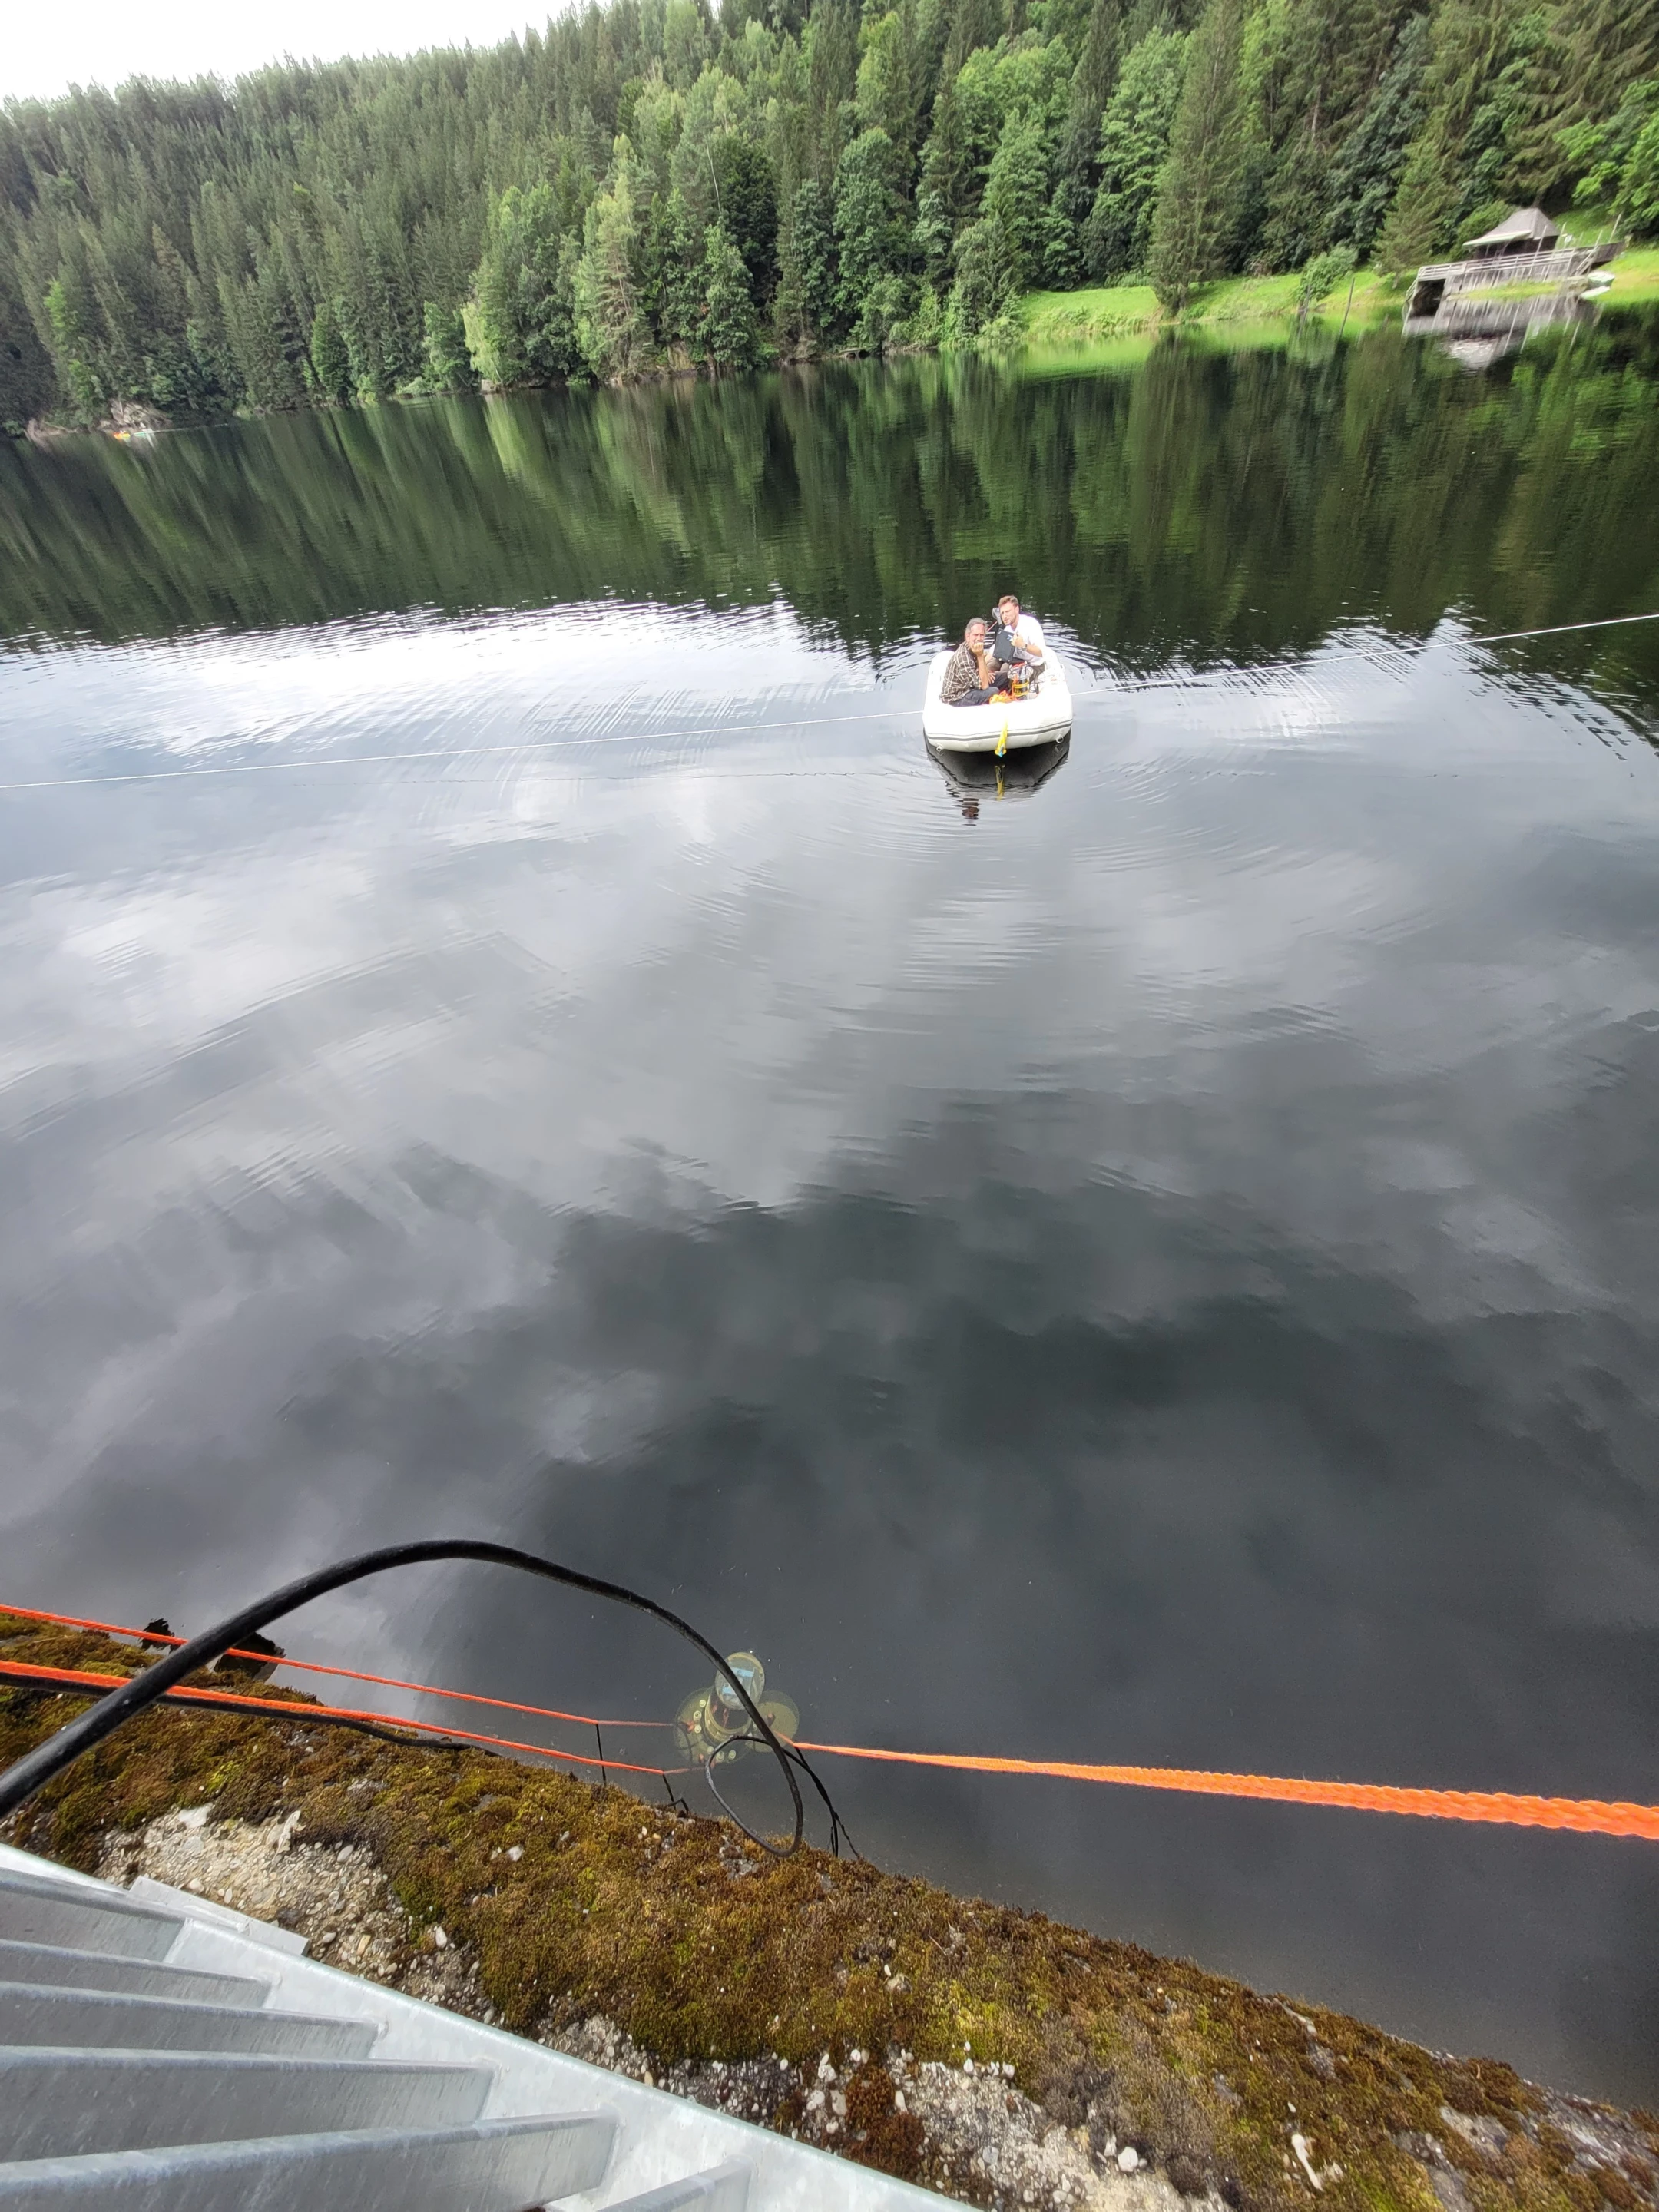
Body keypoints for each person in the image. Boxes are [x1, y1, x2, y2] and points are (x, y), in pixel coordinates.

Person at [941, 617, 1013, 707]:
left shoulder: (973, 648)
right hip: (957, 697)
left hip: (971, 685)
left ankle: (1008, 701)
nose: (979, 638)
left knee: (1006, 677)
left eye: (982, 635)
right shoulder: (963, 657)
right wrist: (980, 656)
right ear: (968, 636)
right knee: (993, 691)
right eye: (975, 635)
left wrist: (986, 672)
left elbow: (980, 670)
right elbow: (984, 686)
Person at [994, 593, 1046, 675]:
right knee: (994, 664)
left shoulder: (1031, 624)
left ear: (1017, 609)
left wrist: (1023, 645)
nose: (1005, 616)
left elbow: (1041, 652)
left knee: (1006, 675)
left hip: (1034, 665)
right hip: (1017, 661)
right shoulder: (1008, 628)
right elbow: (994, 650)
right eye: (1002, 613)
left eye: (1007, 611)